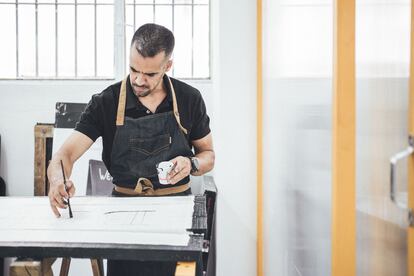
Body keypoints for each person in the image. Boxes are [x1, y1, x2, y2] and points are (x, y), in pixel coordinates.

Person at [47, 23, 215, 276]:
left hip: (177, 215)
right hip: (123, 216)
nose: (138, 79)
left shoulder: (189, 98)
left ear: (167, 66)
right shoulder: (106, 102)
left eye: (149, 74)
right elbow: (65, 155)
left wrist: (191, 164)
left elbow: (208, 156)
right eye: (133, 69)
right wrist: (58, 180)